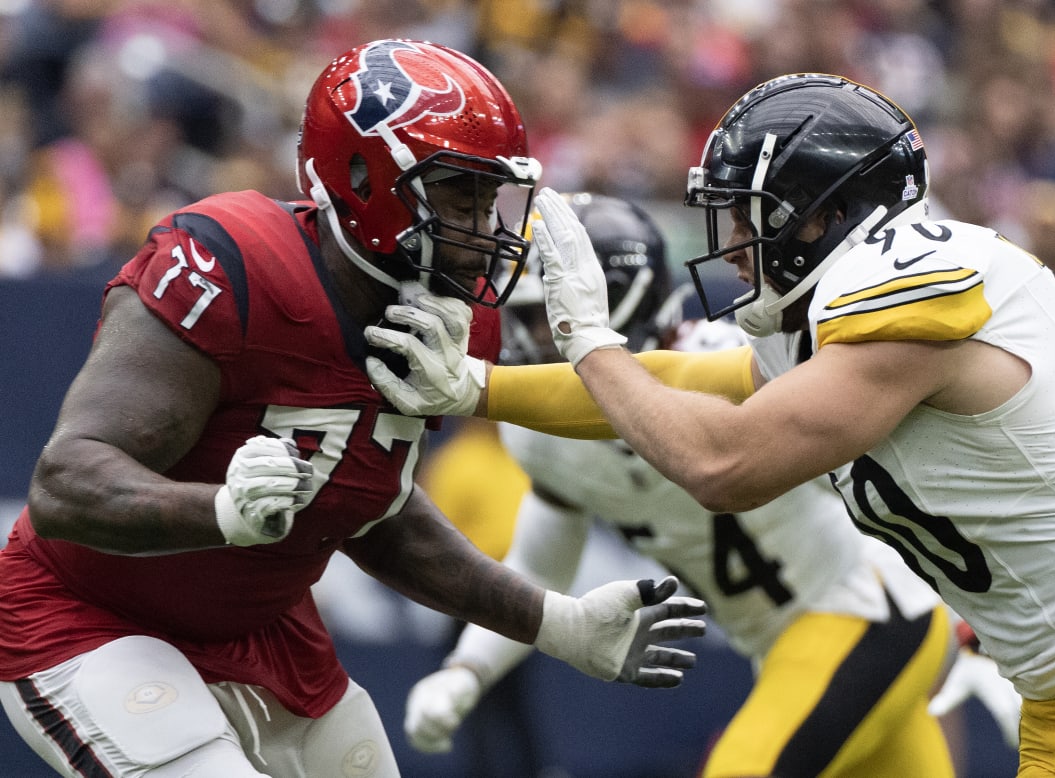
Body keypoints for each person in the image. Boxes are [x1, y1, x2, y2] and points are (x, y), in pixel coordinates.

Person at [368, 74, 1055, 776]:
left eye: (746, 214)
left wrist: (589, 340)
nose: (731, 244)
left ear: (821, 215)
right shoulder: (821, 327)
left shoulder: (911, 289)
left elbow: (724, 462)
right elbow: (682, 379)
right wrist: (478, 386)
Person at [0, 39, 706, 778]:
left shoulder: (450, 314)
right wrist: (220, 512)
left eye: (489, 192)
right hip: (92, 616)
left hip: (265, 634)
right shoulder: (235, 263)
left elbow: (376, 511)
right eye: (457, 191)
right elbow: (66, 483)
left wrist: (555, 624)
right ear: (364, 174)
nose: (482, 224)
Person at [404, 193, 1016, 777]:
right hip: (785, 651)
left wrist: (976, 611)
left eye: (545, 315)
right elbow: (540, 565)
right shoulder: (544, 440)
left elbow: (883, 487)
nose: (525, 339)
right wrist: (467, 670)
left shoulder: (723, 360)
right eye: (524, 317)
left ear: (617, 303)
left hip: (864, 617)